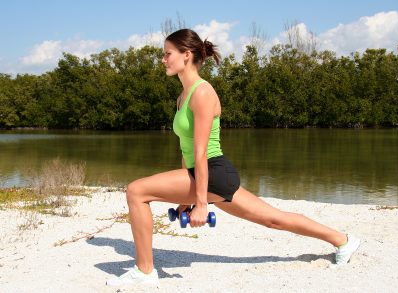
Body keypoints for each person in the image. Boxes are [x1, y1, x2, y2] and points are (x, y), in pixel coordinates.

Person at [106, 29, 360, 286]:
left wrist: (202, 203)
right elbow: (187, 150)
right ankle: (343, 240)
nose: (163, 59)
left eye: (167, 54)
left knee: (136, 191)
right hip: (203, 175)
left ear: (186, 55)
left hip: (214, 172)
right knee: (273, 219)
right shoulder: (182, 96)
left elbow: (203, 152)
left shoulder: (202, 93)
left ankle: (145, 271)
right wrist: (187, 198)